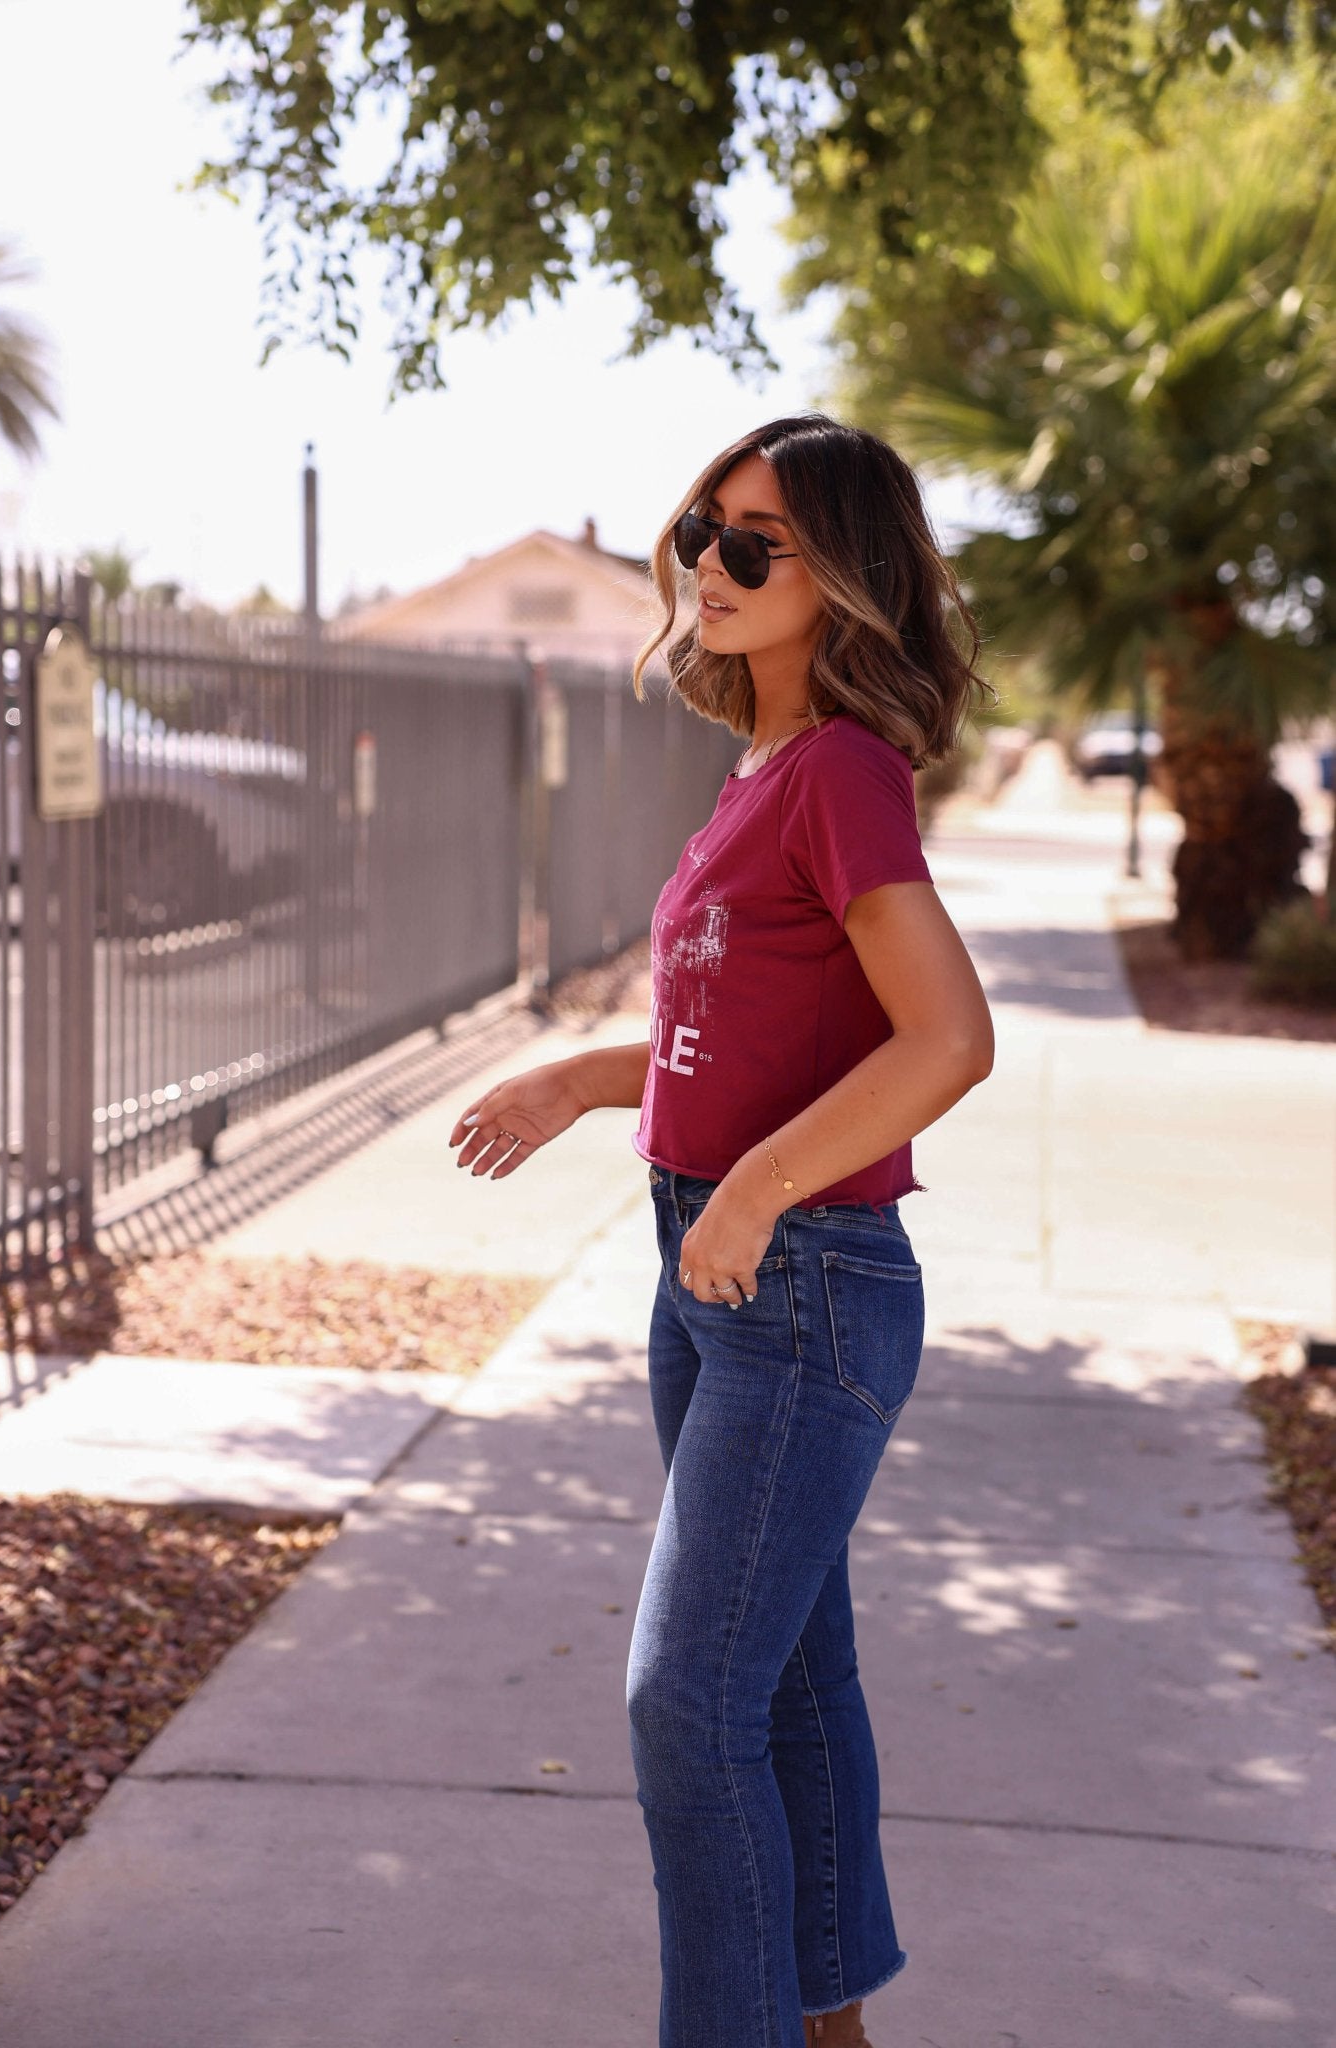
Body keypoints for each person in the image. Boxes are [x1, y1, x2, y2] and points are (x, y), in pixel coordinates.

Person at [448, 412, 995, 2048]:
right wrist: (585, 1078)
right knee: (788, 1693)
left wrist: (754, 1188)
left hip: (796, 1277)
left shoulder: (836, 772)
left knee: (686, 1711)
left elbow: (946, 1040)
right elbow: (752, 1042)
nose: (711, 563)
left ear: (845, 578)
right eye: (703, 528)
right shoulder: (762, 773)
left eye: (757, 543)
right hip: (717, 1280)